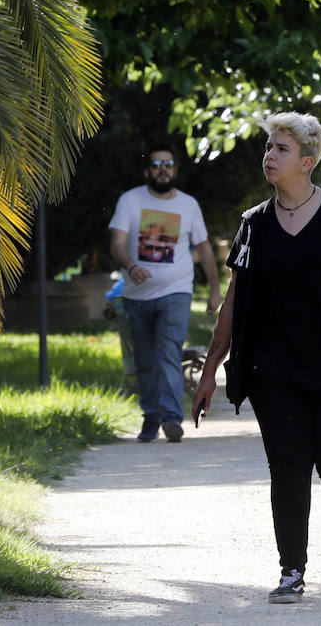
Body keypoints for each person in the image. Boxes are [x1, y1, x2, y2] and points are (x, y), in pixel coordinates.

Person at [192, 112, 321, 604]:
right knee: (287, 468)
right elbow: (234, 303)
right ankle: (292, 569)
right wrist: (209, 370)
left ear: (307, 162)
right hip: (274, 370)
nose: (269, 155)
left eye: (280, 149)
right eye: (268, 147)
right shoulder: (253, 226)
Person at [108, 142, 221, 444]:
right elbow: (117, 243)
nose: (163, 170)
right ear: (148, 171)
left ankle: (171, 417)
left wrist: (214, 289)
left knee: (168, 352)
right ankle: (151, 416)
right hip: (136, 295)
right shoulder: (130, 201)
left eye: (168, 165)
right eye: (157, 165)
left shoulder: (188, 205)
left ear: (175, 170)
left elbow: (204, 248)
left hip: (176, 292)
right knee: (145, 360)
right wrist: (131, 267)